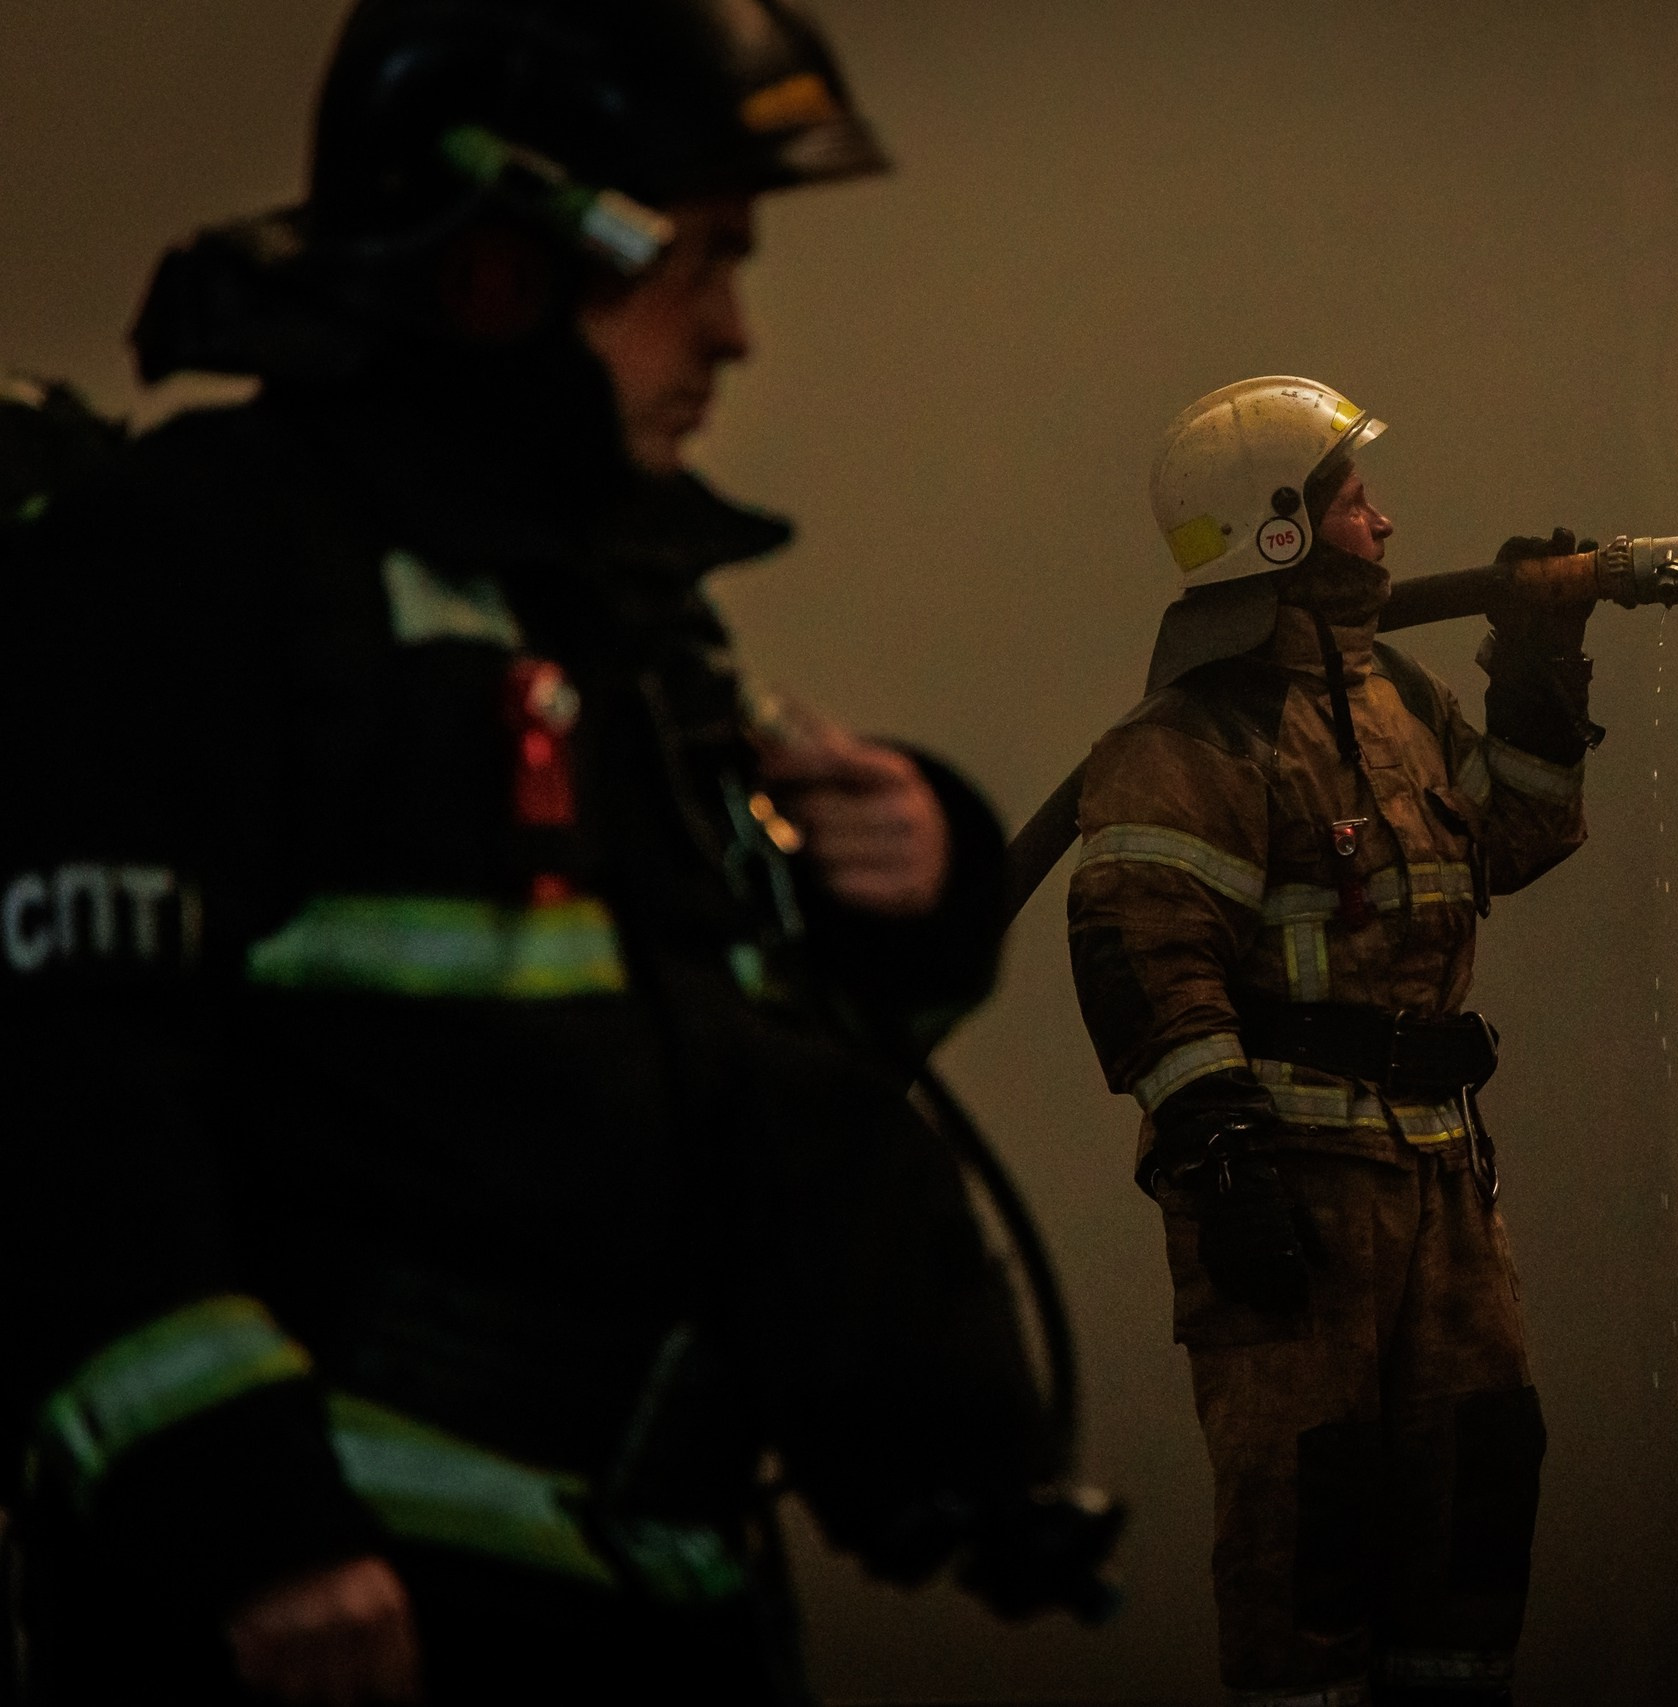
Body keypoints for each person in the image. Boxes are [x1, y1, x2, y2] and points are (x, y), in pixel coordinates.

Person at [0, 4, 1110, 1702]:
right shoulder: (203, 558)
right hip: (332, 1630)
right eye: (699, 260)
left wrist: (914, 884)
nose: (735, 333)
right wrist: (251, 1531)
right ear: (500, 267)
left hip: (657, 1603)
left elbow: (705, 1085)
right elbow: (60, 1096)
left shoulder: (608, 621)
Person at [1066, 377, 1600, 1706]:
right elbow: (1144, 958)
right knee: (1314, 1540)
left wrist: (1538, 666)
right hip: (1297, 1206)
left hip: (1440, 1184)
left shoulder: (1392, 696)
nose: (1387, 522)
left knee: (1475, 1500)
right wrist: (1226, 1168)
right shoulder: (1181, 742)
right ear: (1281, 530)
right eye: (1356, 500)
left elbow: (1515, 835)